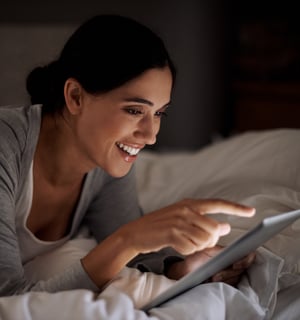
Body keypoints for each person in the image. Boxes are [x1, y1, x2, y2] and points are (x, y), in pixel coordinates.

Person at [0, 14, 256, 297]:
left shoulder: (106, 157)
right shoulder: (6, 147)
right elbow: (9, 298)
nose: (150, 135)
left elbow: (139, 253)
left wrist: (184, 269)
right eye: (134, 111)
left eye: (159, 113)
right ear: (75, 97)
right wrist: (126, 241)